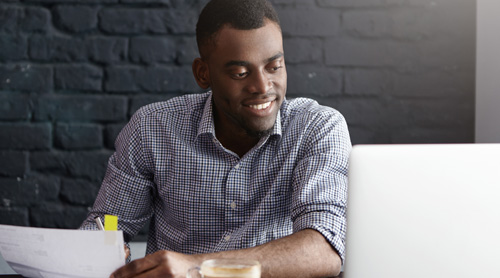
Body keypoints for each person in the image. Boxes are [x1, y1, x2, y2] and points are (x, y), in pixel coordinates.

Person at [80, 0, 351, 277]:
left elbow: (323, 249)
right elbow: (110, 223)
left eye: (274, 66)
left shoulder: (317, 128)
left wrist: (198, 268)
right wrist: (106, 241)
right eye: (240, 73)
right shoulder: (151, 129)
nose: (262, 87)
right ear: (203, 73)